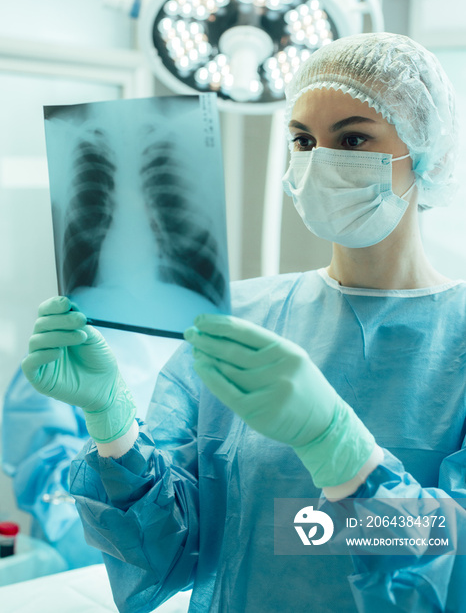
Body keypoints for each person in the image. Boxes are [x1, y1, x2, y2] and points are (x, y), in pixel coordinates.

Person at [19, 33, 466, 613]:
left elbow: (451, 567)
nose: (318, 162)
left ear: (426, 153)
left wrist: (338, 449)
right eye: (302, 140)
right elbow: (167, 551)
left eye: (352, 138)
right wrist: (112, 424)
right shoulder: (237, 322)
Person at [2, 328, 181, 570]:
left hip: (174, 542)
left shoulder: (188, 342)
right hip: (74, 539)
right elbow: (39, 454)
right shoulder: (73, 340)